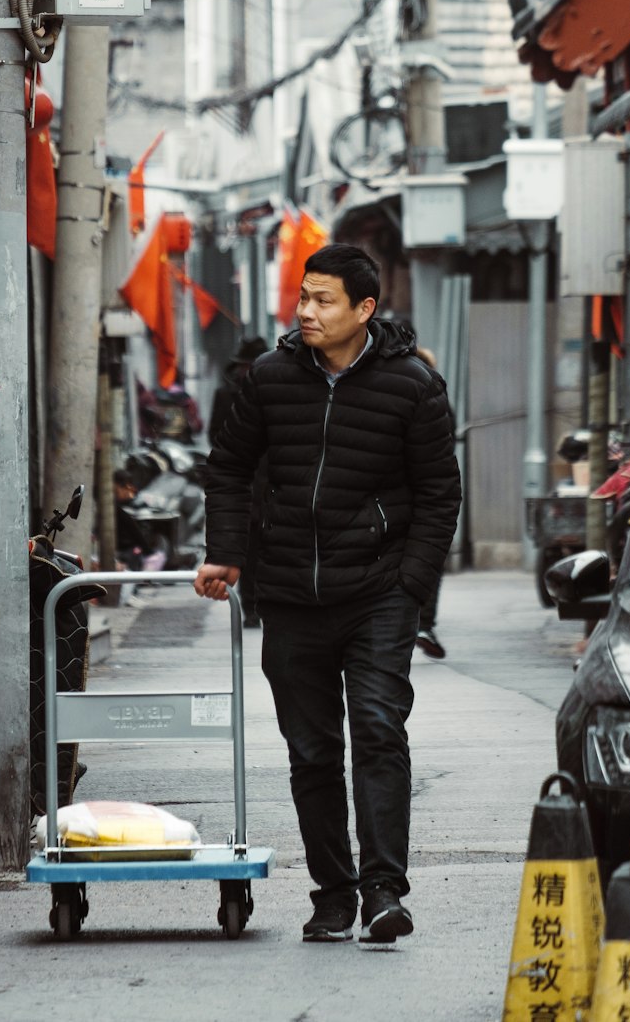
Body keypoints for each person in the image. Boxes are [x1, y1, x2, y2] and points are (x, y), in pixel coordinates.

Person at [195, 243, 460, 946]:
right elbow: (227, 468)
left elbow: (440, 496)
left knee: (378, 732)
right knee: (312, 751)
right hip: (288, 596)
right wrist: (226, 553)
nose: (306, 311)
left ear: (364, 309)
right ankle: (333, 892)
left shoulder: (412, 386)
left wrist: (412, 588)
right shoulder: (269, 379)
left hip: (378, 595)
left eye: (323, 300)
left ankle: (383, 891)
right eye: (303, 297)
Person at [208, 337, 270, 628]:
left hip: (272, 480)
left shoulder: (276, 391)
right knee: (248, 546)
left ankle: (264, 601)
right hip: (244, 480)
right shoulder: (226, 394)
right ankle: (250, 606)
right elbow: (215, 435)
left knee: (268, 546)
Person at [412, 346, 456, 661]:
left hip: (390, 494)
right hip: (425, 490)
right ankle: (423, 623)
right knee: (429, 558)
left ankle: (411, 622)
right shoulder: (431, 385)